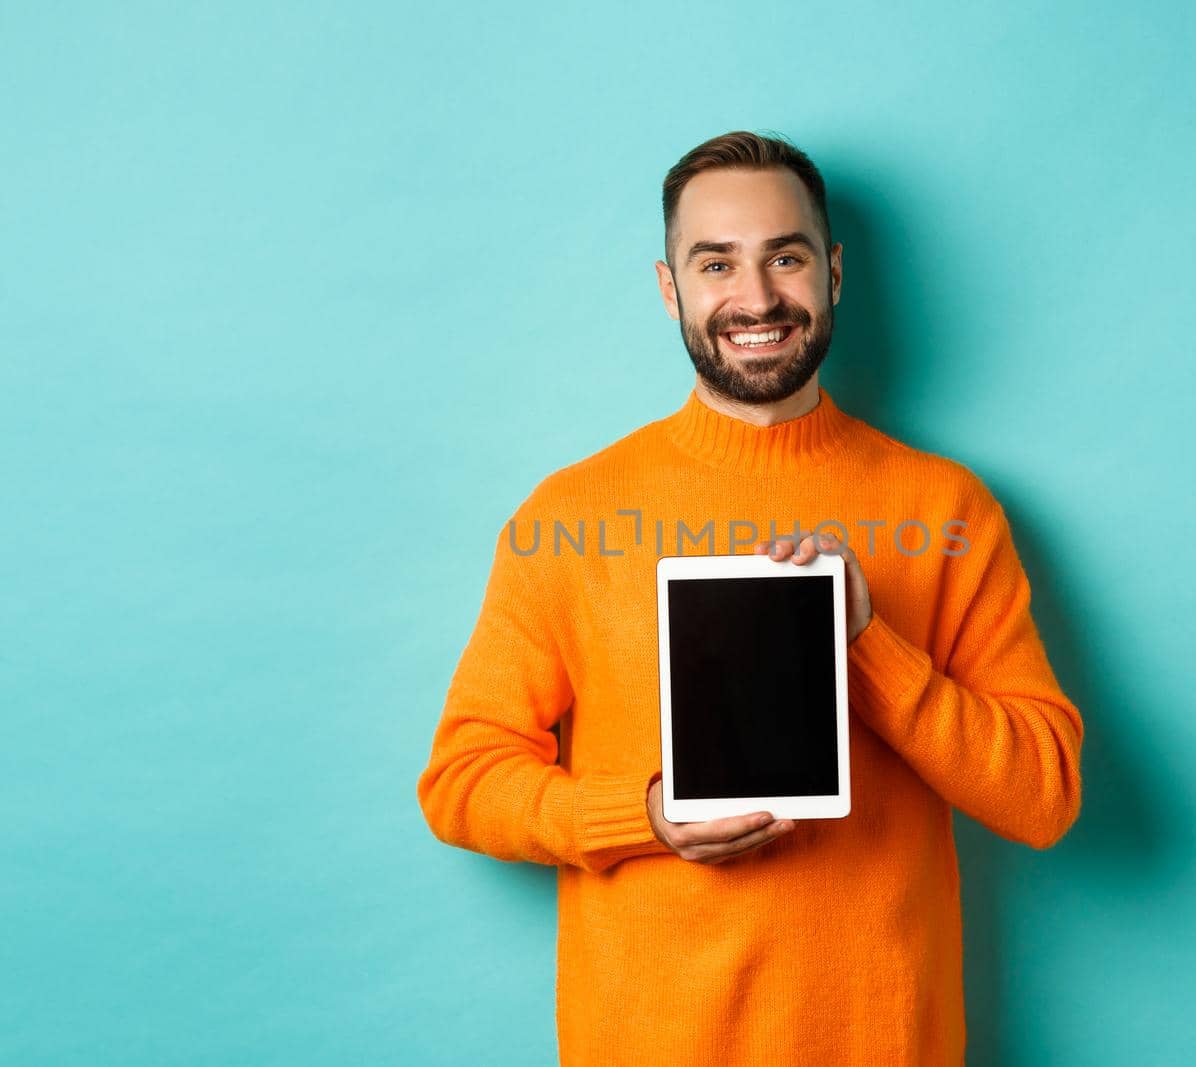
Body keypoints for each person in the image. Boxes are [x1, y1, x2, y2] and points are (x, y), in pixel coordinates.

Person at [416, 130, 1084, 1066]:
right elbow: (461, 780)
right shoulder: (570, 514)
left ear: (835, 272)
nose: (757, 297)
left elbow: (1042, 797)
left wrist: (865, 643)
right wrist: (643, 816)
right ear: (669, 288)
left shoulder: (946, 510)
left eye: (786, 256)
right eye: (716, 262)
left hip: (882, 1042)